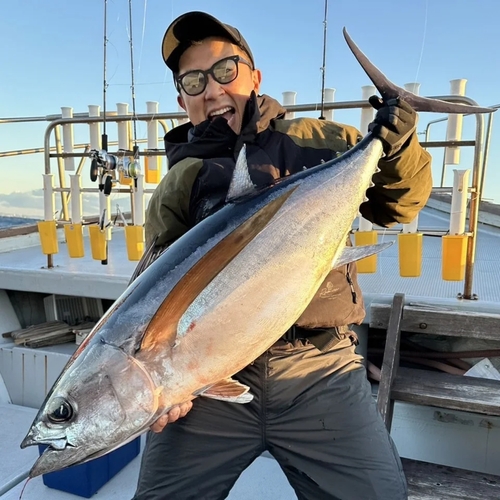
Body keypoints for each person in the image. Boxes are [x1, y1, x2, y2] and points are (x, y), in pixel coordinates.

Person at [132, 10, 432, 500]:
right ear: (182, 99)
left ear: (255, 76)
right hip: (212, 380)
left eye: (225, 71)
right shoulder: (178, 184)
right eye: (193, 80)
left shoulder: (323, 142)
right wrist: (162, 390)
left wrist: (397, 146)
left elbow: (399, 205)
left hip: (320, 369)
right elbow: (156, 297)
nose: (212, 90)